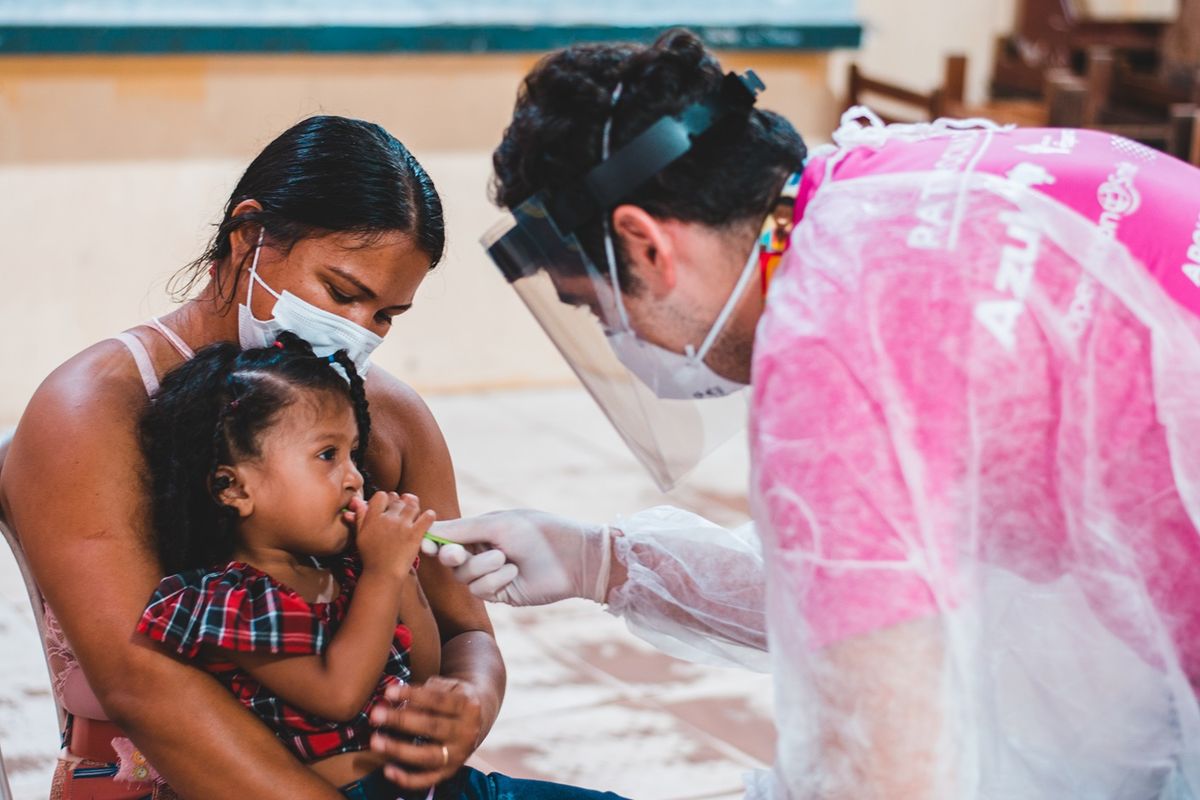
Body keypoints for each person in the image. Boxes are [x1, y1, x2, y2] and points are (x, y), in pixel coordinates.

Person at [408, 29, 1200, 799]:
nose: (623, 343)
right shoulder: (871, 186)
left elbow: (882, 773)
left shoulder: (830, 338)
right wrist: (600, 561)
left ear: (646, 245)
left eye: (597, 310)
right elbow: (872, 584)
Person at [0, 115, 506, 799]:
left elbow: (464, 628)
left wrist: (465, 703)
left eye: (386, 315)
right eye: (341, 292)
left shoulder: (390, 417)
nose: (354, 335)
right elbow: (141, 683)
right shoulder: (95, 407)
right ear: (248, 239)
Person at [133, 332, 628, 800]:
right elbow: (338, 694)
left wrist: (405, 578)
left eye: (352, 454)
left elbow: (424, 673)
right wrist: (384, 574)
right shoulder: (233, 600)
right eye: (326, 455)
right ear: (234, 488)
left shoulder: (346, 572)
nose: (353, 478)